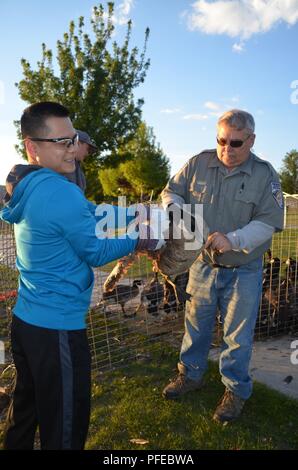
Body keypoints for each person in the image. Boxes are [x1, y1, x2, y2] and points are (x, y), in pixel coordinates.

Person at [0, 101, 160, 450]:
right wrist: (141, 237)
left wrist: (133, 212)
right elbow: (97, 252)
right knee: (65, 426)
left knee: (25, 412)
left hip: (27, 321)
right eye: (63, 142)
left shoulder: (33, 185)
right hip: (57, 329)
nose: (73, 149)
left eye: (73, 139)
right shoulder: (60, 191)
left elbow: (90, 211)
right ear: (33, 146)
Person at [161, 109, 284, 423]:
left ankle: (235, 390)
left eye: (236, 143)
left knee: (237, 337)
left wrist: (234, 239)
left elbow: (268, 223)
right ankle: (191, 375)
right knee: (196, 326)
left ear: (252, 140)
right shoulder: (198, 163)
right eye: (221, 140)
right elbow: (171, 191)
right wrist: (176, 210)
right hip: (201, 265)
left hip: (243, 270)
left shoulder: (265, 175)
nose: (227, 148)